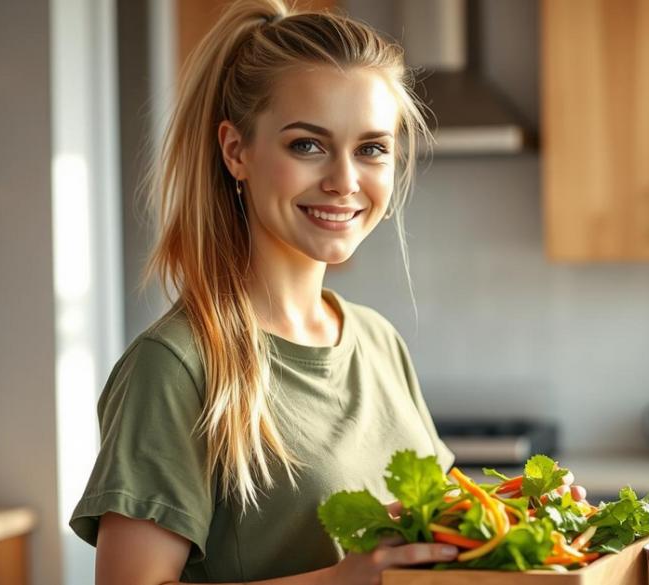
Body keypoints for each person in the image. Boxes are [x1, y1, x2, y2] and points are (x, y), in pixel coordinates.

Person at [68, 1, 460, 583]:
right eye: (307, 145)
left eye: (372, 148)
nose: (344, 182)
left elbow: (435, 541)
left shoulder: (379, 341)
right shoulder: (177, 367)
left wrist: (523, 517)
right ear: (236, 151)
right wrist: (342, 580)